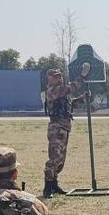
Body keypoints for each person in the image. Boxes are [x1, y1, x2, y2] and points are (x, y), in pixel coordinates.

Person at [43, 62, 90, 198]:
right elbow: (71, 88)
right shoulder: (53, 90)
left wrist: (82, 99)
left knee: (61, 159)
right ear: (50, 79)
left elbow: (69, 103)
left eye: (59, 76)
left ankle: (54, 184)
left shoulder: (61, 90)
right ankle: (47, 187)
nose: (59, 78)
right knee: (54, 158)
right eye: (55, 77)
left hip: (64, 128)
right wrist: (83, 75)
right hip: (56, 128)